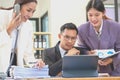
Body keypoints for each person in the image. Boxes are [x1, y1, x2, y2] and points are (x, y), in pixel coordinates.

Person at [0, 0, 45, 74]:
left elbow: (28, 54)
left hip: (15, 69)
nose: (30, 15)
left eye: (33, 12)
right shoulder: (1, 16)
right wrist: (9, 29)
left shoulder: (28, 25)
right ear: (17, 7)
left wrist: (36, 63)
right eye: (28, 10)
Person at [77, 0, 120, 76]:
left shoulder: (116, 27)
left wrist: (112, 59)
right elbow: (81, 50)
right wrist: (89, 55)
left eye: (97, 15)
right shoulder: (81, 30)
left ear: (103, 13)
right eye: (90, 15)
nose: (93, 19)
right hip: (91, 70)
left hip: (114, 70)